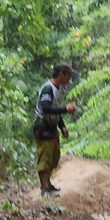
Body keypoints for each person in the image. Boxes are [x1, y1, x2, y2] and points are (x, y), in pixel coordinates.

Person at [32, 62, 77, 198]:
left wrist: (62, 126)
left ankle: (48, 184)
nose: (69, 79)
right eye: (68, 76)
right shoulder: (48, 89)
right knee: (45, 156)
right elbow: (46, 108)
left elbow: (55, 109)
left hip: (52, 126)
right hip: (42, 126)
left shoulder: (57, 89)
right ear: (62, 74)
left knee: (54, 156)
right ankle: (44, 188)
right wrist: (65, 109)